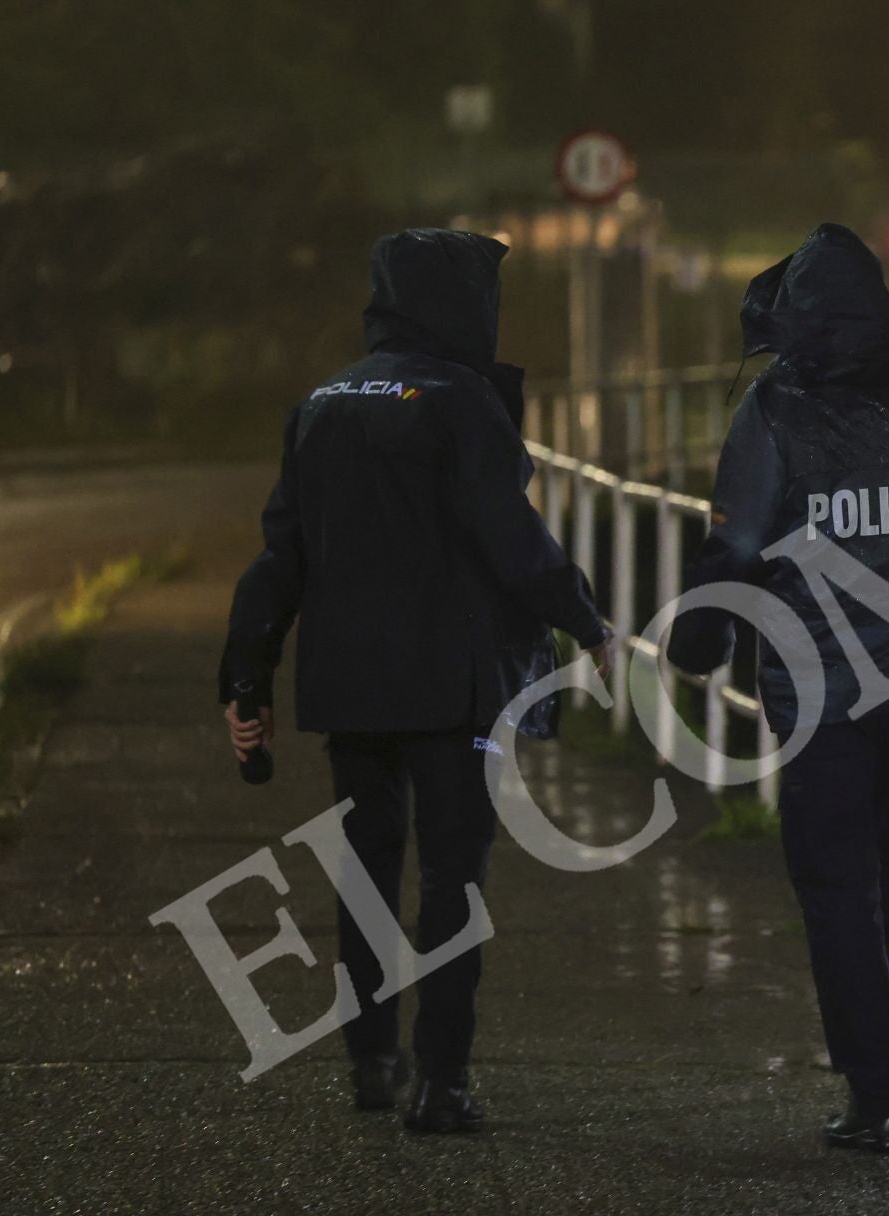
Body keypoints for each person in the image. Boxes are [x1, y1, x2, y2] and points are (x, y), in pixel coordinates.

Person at [218, 228, 611, 1133]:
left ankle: (371, 1061)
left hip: (349, 686)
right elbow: (510, 538)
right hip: (448, 684)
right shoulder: (461, 400)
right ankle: (442, 1080)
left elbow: (281, 558)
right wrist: (584, 619)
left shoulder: (318, 405)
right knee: (452, 877)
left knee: (365, 868)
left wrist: (247, 677)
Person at [668, 223, 889, 1156]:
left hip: (819, 686)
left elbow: (736, 544)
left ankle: (878, 1089)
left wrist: (698, 638)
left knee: (833, 883)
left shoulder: (776, 412)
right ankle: (888, 1066)